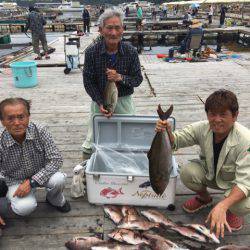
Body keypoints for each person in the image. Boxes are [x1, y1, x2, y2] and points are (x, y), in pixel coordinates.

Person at [156, 89, 250, 239]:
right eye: (212, 114)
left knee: (243, 204)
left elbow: (245, 183)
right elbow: (177, 140)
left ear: (235, 116)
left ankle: (231, 211)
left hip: (234, 183)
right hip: (211, 174)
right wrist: (166, 131)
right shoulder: (202, 128)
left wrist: (223, 205)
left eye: (223, 114)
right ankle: (205, 198)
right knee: (187, 172)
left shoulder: (246, 140)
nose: (216, 119)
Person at [82, 9, 143, 160]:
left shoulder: (131, 52)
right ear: (101, 30)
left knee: (128, 139)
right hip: (100, 101)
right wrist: (100, 101)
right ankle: (87, 169)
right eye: (109, 28)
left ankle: (126, 165)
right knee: (91, 143)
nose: (114, 33)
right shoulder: (91, 52)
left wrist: (120, 77)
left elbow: (137, 79)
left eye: (117, 28)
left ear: (123, 29)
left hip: (124, 102)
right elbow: (88, 81)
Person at [0, 98, 71, 219]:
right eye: (10, 118)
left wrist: (31, 182)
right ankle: (17, 198)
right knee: (24, 208)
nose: (17, 123)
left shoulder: (40, 130)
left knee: (59, 179)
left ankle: (54, 199)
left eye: (21, 117)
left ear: (28, 117)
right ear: (2, 121)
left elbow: (56, 159)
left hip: (41, 173)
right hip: (14, 180)